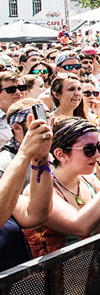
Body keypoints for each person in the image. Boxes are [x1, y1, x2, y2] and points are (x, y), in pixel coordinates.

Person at [23, 117, 100, 257]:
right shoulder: (39, 191)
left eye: (99, 147)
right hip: (61, 276)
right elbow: (80, 226)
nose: (97, 154)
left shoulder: (88, 179)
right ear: (61, 155)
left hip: (98, 273)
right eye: (89, 150)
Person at [0, 101, 54, 271]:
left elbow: (34, 215)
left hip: (18, 283)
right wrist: (24, 154)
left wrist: (40, 159)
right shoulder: (5, 162)